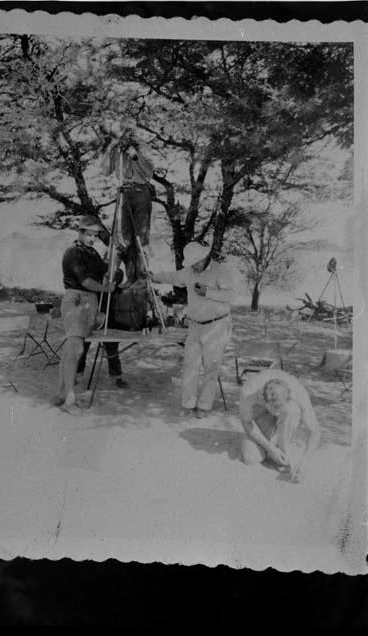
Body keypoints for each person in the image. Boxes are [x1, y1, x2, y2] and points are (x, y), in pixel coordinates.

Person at [150, 242, 233, 419]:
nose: (195, 265)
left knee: (211, 367)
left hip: (216, 326)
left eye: (198, 261)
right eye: (192, 262)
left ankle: (203, 406)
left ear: (205, 256)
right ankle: (188, 404)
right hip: (194, 326)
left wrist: (208, 292)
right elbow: (172, 276)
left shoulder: (221, 271)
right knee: (190, 366)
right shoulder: (188, 272)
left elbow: (231, 296)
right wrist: (153, 277)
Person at [56, 215, 123, 415]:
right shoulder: (72, 253)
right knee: (75, 350)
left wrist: (115, 256)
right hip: (76, 301)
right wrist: (105, 288)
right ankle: (69, 399)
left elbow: (108, 271)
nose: (93, 239)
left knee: (72, 350)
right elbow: (85, 281)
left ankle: (63, 394)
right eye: (90, 235)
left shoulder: (92, 252)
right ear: (81, 232)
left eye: (95, 236)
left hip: (91, 303)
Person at [239, 369, 320, 482]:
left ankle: (284, 451)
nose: (277, 414)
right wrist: (270, 448)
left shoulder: (297, 390)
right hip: (262, 416)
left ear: (289, 393)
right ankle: (276, 446)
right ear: (263, 398)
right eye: (275, 409)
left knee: (291, 410)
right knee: (250, 458)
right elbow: (246, 422)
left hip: (288, 414)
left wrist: (304, 463)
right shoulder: (248, 392)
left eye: (279, 409)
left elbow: (314, 430)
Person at [101, 122, 154, 286]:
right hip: (124, 192)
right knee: (126, 239)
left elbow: (149, 173)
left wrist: (135, 156)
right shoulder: (116, 151)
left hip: (141, 192)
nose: (126, 137)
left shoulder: (142, 147)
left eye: (129, 133)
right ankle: (131, 277)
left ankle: (142, 278)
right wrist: (110, 148)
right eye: (122, 134)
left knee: (141, 238)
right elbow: (105, 171)